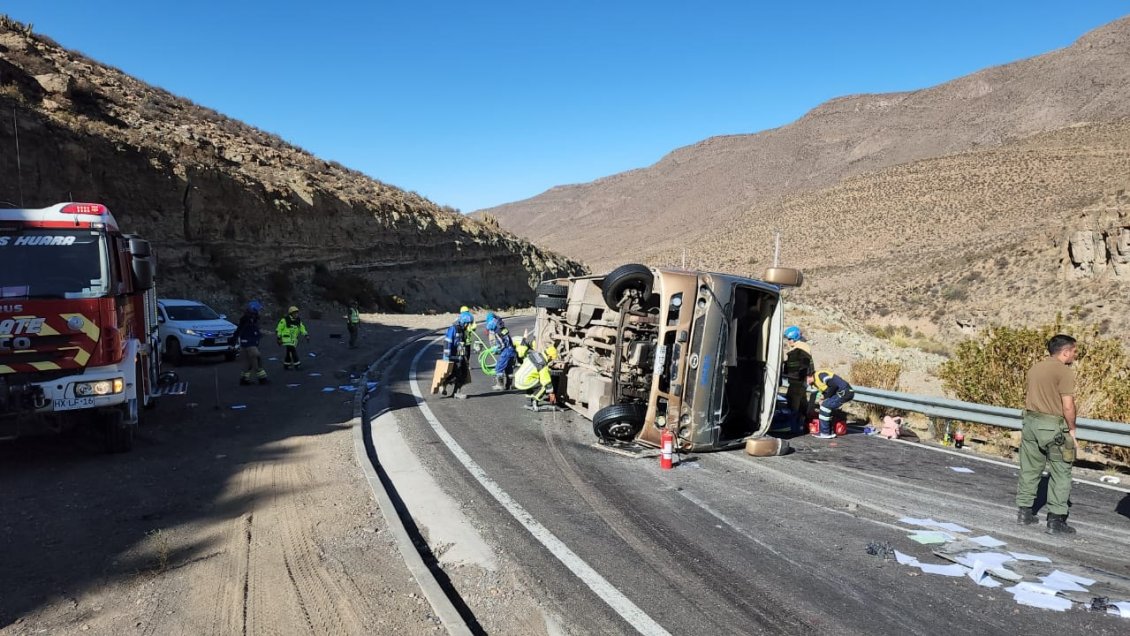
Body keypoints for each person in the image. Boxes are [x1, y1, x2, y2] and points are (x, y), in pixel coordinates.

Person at [1016, 334, 1079, 535]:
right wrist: (1072, 429)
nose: (1074, 356)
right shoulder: (1064, 372)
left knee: (1030, 468)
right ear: (1065, 351)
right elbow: (1067, 406)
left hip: (1030, 422)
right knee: (1061, 471)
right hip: (1053, 426)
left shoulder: (1036, 367)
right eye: (1074, 351)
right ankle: (1055, 519)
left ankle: (1025, 512)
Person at [781, 326, 815, 431]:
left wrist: (806, 376)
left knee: (794, 399)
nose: (788, 341)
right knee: (800, 399)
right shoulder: (796, 347)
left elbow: (806, 364)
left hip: (799, 380)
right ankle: (804, 421)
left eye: (790, 339)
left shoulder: (802, 347)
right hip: (795, 380)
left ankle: (793, 424)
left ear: (795, 337)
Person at [808, 370, 854, 439]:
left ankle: (825, 433)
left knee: (825, 406)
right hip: (841, 392)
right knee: (826, 406)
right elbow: (826, 390)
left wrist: (825, 398)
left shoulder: (820, 375)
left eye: (805, 379)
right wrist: (823, 399)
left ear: (809, 376)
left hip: (844, 392)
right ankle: (830, 431)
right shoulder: (815, 382)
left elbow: (833, 386)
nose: (806, 382)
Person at [514, 345, 558, 411]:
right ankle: (535, 403)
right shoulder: (542, 364)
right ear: (549, 356)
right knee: (544, 386)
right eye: (551, 359)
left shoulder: (535, 354)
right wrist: (551, 393)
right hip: (524, 381)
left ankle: (529, 402)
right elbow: (546, 381)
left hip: (518, 378)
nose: (550, 360)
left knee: (532, 380)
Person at [442, 311, 474, 399]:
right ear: (464, 322)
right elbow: (447, 341)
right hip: (452, 356)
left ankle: (454, 390)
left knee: (463, 373)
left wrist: (464, 357)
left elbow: (461, 344)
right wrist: (448, 355)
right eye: (468, 323)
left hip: (459, 356)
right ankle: (447, 386)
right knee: (457, 373)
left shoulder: (462, 330)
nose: (469, 325)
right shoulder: (453, 329)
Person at [236, 300, 268, 385]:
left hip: (247, 343)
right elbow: (244, 330)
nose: (260, 311)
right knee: (257, 358)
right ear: (254, 309)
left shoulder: (252, 319)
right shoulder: (247, 319)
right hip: (249, 343)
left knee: (248, 363)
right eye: (259, 309)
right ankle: (262, 379)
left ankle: (244, 379)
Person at [487, 316, 517, 390]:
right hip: (512, 350)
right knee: (509, 368)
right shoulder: (503, 329)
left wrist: (496, 349)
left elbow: (501, 344)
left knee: (499, 368)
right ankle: (509, 385)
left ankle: (500, 385)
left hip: (506, 351)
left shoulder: (497, 331)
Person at [276, 305, 310, 370]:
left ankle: (286, 364)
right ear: (291, 313)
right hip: (286, 339)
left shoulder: (298, 320)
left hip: (293, 340)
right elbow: (279, 329)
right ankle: (297, 364)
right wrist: (279, 338)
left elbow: (302, 328)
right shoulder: (285, 320)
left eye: (297, 313)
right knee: (292, 350)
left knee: (289, 351)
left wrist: (306, 335)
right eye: (295, 313)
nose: (296, 314)